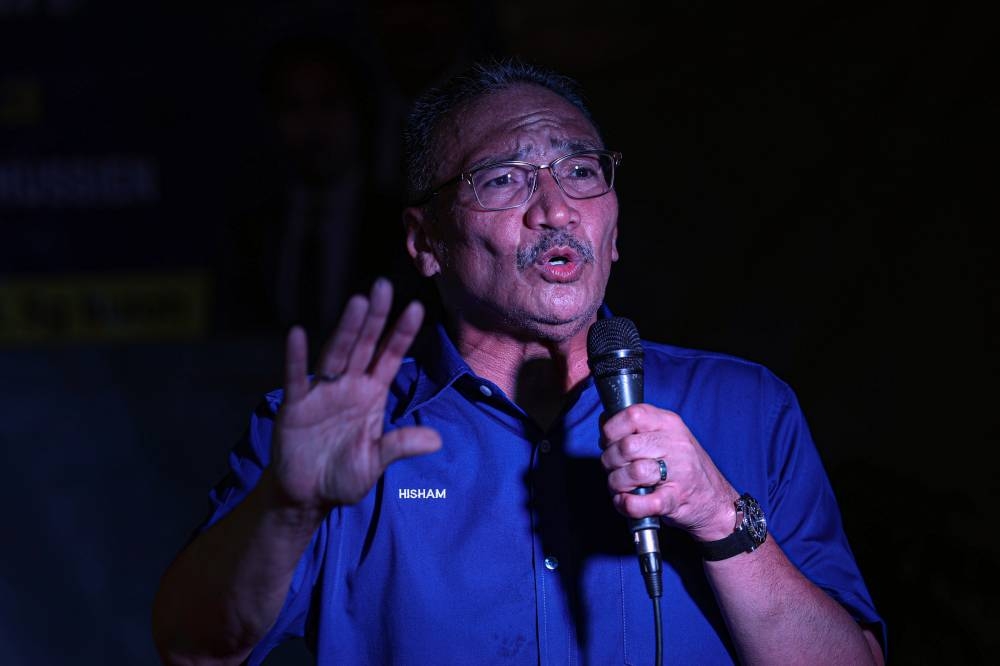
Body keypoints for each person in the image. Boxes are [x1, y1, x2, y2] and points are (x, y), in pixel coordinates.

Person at [153, 59, 885, 664]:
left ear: (616, 224)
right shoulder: (336, 433)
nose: (556, 209)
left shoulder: (746, 406)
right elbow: (192, 648)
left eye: (580, 170)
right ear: (424, 241)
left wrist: (719, 515)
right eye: (503, 178)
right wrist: (289, 511)